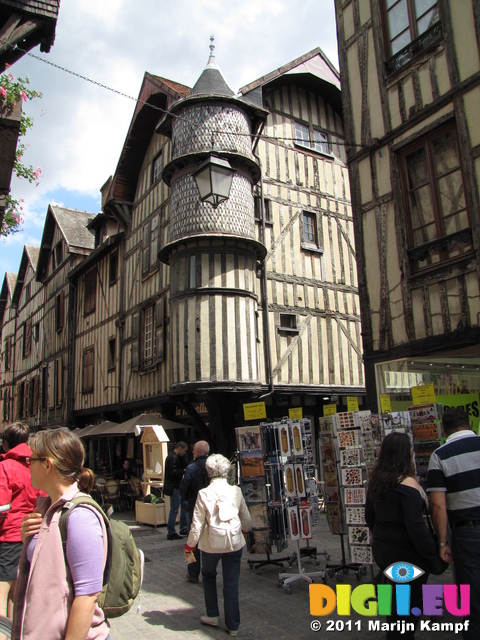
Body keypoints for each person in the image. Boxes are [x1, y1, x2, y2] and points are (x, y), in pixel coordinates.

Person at [12, 429, 110, 640]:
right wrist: (28, 539)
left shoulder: (80, 516)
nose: (28, 465)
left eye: (32, 460)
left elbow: (87, 596)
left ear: (47, 465)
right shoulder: (47, 507)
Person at [365, 432, 442, 640]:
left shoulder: (376, 482)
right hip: (407, 554)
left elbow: (369, 518)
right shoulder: (408, 485)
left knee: (397, 607)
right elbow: (416, 527)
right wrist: (431, 554)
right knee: (409, 608)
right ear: (404, 454)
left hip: (384, 552)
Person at [184, 454, 251, 637]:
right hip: (234, 542)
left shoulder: (204, 493)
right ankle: (233, 625)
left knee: (208, 575)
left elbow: (197, 524)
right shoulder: (235, 491)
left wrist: (190, 545)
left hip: (211, 544)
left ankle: (212, 614)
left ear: (208, 472)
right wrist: (246, 530)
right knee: (231, 583)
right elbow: (246, 517)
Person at [427, 407, 480, 639]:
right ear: (469, 425)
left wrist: (442, 542)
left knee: (472, 595)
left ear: (444, 430)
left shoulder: (439, 455)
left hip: (466, 532)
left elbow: (438, 505)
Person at [0, 423, 42, 637]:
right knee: (18, 595)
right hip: (32, 532)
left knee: (2, 592)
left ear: (6, 443)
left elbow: (0, 505)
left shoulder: (5, 467)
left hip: (9, 534)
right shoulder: (34, 464)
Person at [179, 440, 210, 583]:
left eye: (193, 450)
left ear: (197, 451)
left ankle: (192, 572)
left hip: (195, 508)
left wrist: (187, 499)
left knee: (192, 541)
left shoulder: (191, 468)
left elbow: (183, 489)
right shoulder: (212, 466)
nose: (191, 452)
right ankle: (209, 572)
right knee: (209, 539)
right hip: (211, 509)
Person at [163, 442, 189, 540]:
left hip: (176, 485)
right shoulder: (173, 458)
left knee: (182, 505)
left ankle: (182, 527)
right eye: (184, 451)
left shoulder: (173, 457)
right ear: (179, 448)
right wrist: (184, 471)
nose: (184, 453)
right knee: (174, 508)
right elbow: (174, 473)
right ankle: (171, 531)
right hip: (174, 486)